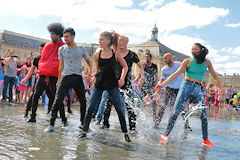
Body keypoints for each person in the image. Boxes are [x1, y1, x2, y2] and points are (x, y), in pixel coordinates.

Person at [156, 43, 222, 148]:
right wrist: (162, 84)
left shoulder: (207, 62)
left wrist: (220, 87)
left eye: (195, 49)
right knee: (175, 112)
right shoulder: (187, 61)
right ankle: (165, 135)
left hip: (197, 88)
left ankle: (205, 139)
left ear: (200, 50)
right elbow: (175, 74)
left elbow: (215, 75)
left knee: (203, 115)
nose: (192, 50)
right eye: (191, 49)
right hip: (185, 86)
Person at [79, 31, 131, 143]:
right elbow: (98, 70)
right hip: (99, 85)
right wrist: (93, 77)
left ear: (108, 41)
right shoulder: (96, 55)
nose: (99, 41)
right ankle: (84, 132)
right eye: (99, 39)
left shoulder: (116, 54)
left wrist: (122, 78)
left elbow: (125, 66)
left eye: (101, 39)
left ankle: (126, 134)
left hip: (112, 85)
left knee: (120, 110)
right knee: (90, 108)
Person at [44, 27, 92, 132]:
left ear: (73, 37)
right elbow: (60, 66)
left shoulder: (81, 49)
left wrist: (89, 74)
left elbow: (89, 62)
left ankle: (83, 123)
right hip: (66, 77)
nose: (65, 39)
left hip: (78, 77)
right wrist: (58, 80)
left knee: (83, 101)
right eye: (64, 37)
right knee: (57, 100)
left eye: (67, 37)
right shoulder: (61, 49)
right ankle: (51, 124)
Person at [101, 35, 143, 132]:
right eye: (118, 41)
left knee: (130, 106)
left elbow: (140, 66)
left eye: (121, 41)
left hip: (126, 83)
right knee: (108, 104)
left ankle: (132, 127)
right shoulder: (114, 53)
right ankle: (105, 124)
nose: (119, 42)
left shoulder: (132, 54)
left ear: (126, 42)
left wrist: (141, 76)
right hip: (113, 82)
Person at [28, 23, 65, 122]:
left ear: (58, 34)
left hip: (55, 76)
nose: (51, 36)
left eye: (52, 34)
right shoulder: (48, 45)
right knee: (35, 95)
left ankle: (63, 118)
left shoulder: (64, 47)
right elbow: (42, 60)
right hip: (43, 75)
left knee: (57, 98)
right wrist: (39, 72)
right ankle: (33, 116)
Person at [154, 53, 185, 128]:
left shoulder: (179, 64)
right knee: (163, 105)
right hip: (169, 88)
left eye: (166, 58)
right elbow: (162, 78)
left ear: (171, 58)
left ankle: (186, 124)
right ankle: (157, 123)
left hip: (179, 88)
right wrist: (159, 84)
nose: (164, 60)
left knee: (182, 107)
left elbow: (185, 72)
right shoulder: (164, 69)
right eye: (164, 58)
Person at [21, 42, 46, 117]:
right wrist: (25, 79)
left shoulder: (51, 58)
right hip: (40, 79)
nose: (41, 51)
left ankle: (56, 114)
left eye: (42, 49)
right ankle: (27, 111)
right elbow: (31, 69)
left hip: (50, 79)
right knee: (34, 95)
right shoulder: (37, 58)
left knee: (53, 96)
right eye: (40, 49)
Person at [139, 52, 158, 121]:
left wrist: (156, 84)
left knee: (153, 101)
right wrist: (137, 80)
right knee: (140, 100)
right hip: (144, 85)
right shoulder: (143, 66)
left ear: (150, 58)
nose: (147, 58)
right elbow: (140, 74)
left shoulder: (154, 66)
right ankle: (139, 115)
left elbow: (156, 76)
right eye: (145, 57)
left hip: (151, 85)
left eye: (148, 57)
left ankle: (154, 116)